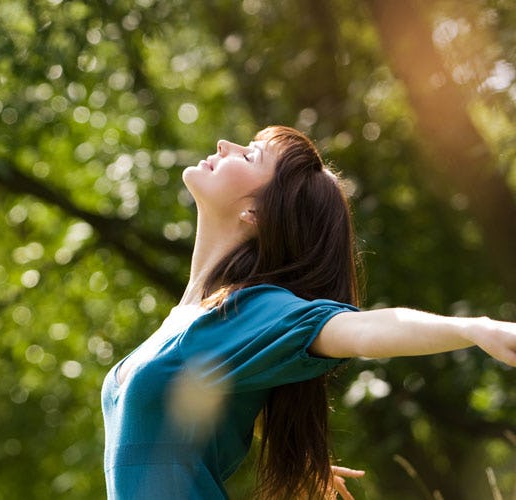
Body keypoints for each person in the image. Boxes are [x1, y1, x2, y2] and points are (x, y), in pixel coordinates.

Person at [100, 125, 516, 499]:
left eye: (249, 156)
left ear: (256, 213)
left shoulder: (250, 310)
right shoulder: (196, 319)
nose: (224, 144)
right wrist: (294, 455)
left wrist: (472, 328)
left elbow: (361, 329)